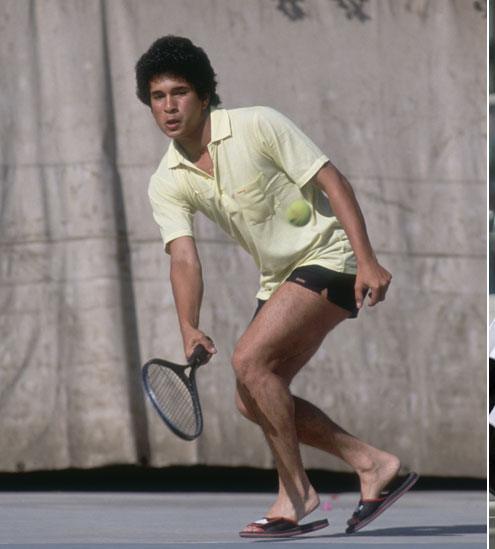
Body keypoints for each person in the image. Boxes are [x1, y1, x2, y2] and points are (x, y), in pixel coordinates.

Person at [135, 35, 418, 538]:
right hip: (281, 277)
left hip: (333, 256)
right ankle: (370, 462)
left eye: (180, 92)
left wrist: (369, 260)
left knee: (248, 360)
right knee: (251, 398)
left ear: (204, 96)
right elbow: (183, 257)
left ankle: (297, 492)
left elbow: (333, 181)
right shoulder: (167, 179)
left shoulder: (258, 123)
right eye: (158, 97)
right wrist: (187, 327)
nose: (169, 106)